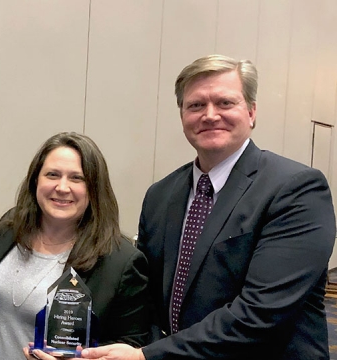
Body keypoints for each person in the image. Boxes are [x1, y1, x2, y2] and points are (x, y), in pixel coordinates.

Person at [80, 54, 336, 360]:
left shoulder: (296, 190)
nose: (210, 115)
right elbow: (145, 298)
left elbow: (260, 313)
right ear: (182, 115)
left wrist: (148, 356)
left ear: (252, 112)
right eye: (196, 105)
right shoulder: (161, 196)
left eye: (225, 103)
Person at [0, 132, 151, 360]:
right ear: (36, 180)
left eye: (77, 178)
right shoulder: (10, 229)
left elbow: (131, 347)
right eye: (52, 175)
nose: (62, 187)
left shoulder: (121, 262)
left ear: (94, 189)